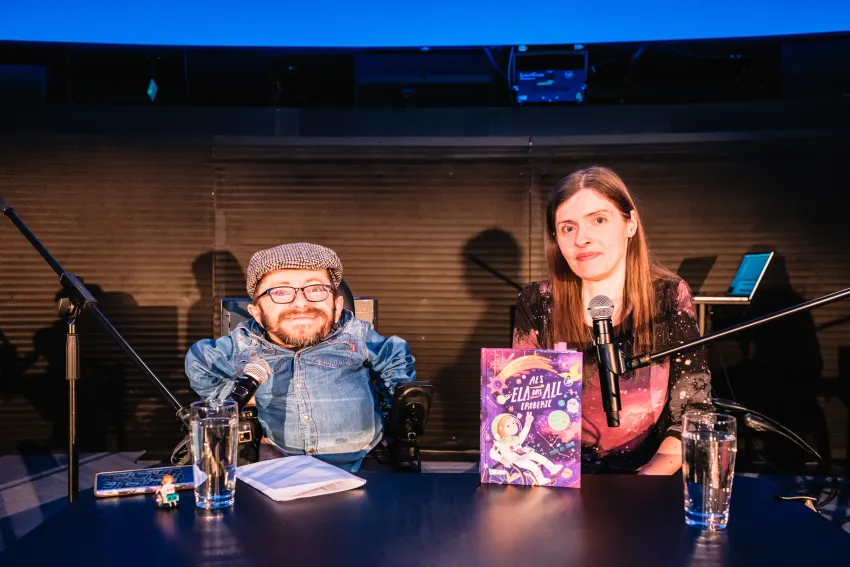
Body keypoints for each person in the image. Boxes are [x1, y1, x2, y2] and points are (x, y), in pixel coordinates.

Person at [512, 166, 713, 475]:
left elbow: (694, 413)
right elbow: (523, 414)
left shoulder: (669, 295)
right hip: (559, 481)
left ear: (629, 224)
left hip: (648, 481)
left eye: (599, 220)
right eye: (568, 227)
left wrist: (642, 483)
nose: (582, 239)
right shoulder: (536, 301)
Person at [185, 242, 416, 472]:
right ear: (256, 312)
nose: (301, 303)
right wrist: (249, 396)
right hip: (282, 466)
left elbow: (395, 354)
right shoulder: (244, 344)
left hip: (362, 462)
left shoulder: (355, 334)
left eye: (315, 289)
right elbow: (199, 363)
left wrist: (393, 412)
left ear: (336, 306)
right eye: (281, 292)